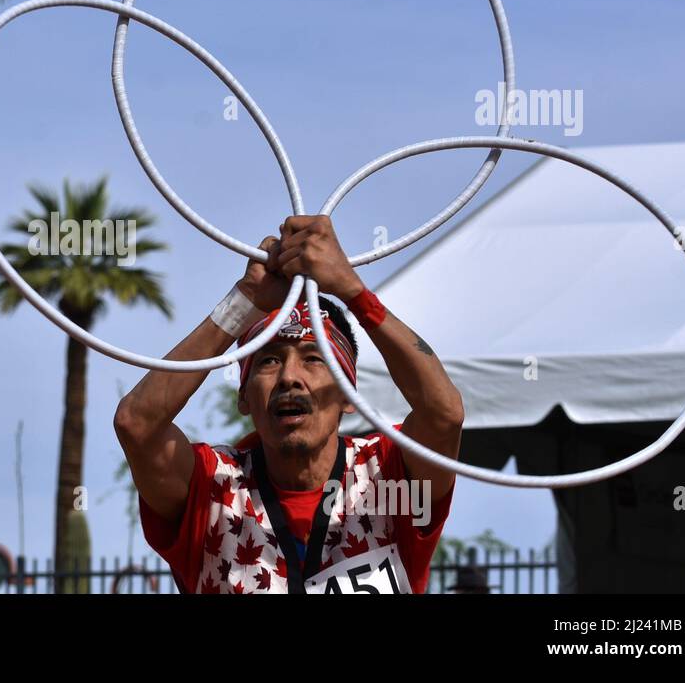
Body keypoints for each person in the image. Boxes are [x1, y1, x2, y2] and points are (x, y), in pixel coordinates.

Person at [114, 215, 465, 594]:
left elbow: (444, 415)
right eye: (268, 360)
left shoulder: (386, 474)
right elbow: (137, 423)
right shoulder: (211, 486)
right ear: (243, 396)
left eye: (314, 359)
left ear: (349, 394)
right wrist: (244, 300)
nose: (289, 377)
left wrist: (352, 291)